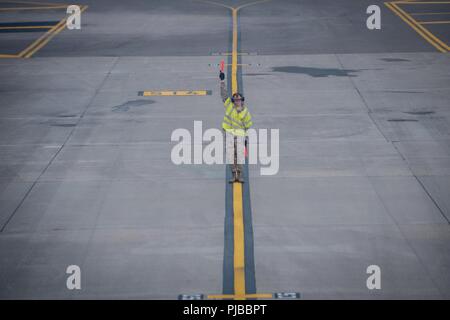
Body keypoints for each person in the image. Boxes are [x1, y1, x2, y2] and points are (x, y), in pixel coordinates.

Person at [219, 70, 253, 183]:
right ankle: (234, 175)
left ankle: (240, 175)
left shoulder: (245, 112)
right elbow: (223, 94)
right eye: (235, 100)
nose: (237, 102)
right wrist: (222, 81)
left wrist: (246, 139)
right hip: (229, 134)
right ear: (233, 101)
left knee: (240, 157)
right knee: (230, 156)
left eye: (239, 100)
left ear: (242, 101)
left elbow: (248, 126)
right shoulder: (229, 105)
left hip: (240, 137)